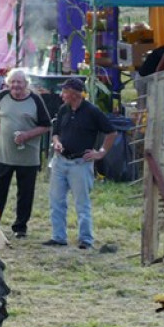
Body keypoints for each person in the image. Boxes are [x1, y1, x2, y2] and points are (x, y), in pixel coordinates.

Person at [44, 77, 117, 250]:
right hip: (61, 161)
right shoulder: (64, 109)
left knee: (81, 202)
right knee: (56, 200)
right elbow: (56, 132)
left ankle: (86, 239)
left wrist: (101, 152)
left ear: (74, 94)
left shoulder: (92, 111)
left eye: (64, 91)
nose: (61, 95)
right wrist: (57, 142)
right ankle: (58, 237)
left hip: (80, 163)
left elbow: (111, 132)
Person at [0, 69, 52, 239]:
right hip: (5, 155)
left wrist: (27, 135)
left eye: (19, 82)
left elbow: (46, 125)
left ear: (26, 84)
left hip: (28, 157)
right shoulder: (2, 96)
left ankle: (20, 227)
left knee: (25, 193)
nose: (15, 86)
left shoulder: (35, 99)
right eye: (12, 82)